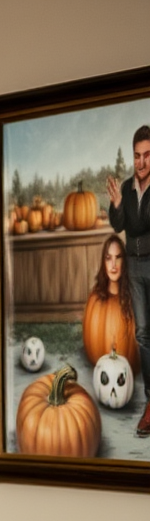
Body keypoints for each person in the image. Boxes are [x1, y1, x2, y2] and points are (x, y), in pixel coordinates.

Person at [108, 125, 150, 434]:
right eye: (137, 156)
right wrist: (118, 204)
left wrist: (129, 212)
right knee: (143, 335)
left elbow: (142, 223)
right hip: (134, 269)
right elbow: (119, 224)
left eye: (147, 155)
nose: (141, 162)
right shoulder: (125, 187)